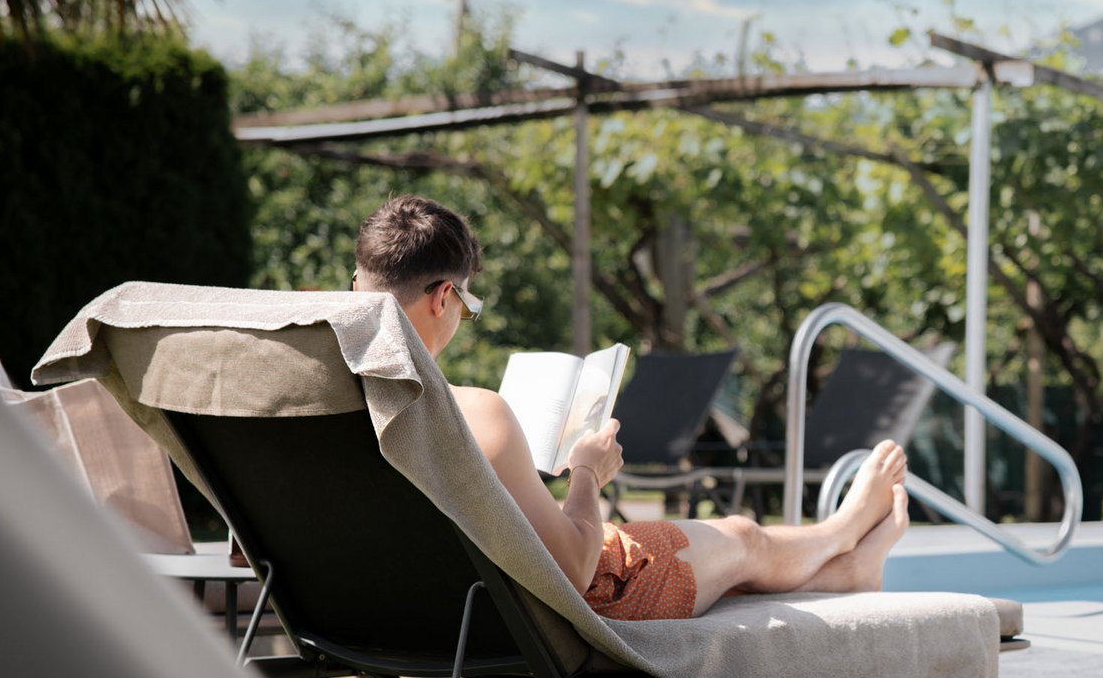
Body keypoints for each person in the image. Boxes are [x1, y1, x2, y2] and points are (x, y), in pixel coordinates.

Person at [351, 195, 910, 621]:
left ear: (358, 284)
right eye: (467, 306)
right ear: (444, 296)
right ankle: (841, 532)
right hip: (522, 609)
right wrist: (588, 473)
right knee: (741, 538)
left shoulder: (299, 407)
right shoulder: (475, 414)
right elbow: (573, 568)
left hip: (392, 612)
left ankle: (850, 570)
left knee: (729, 558)